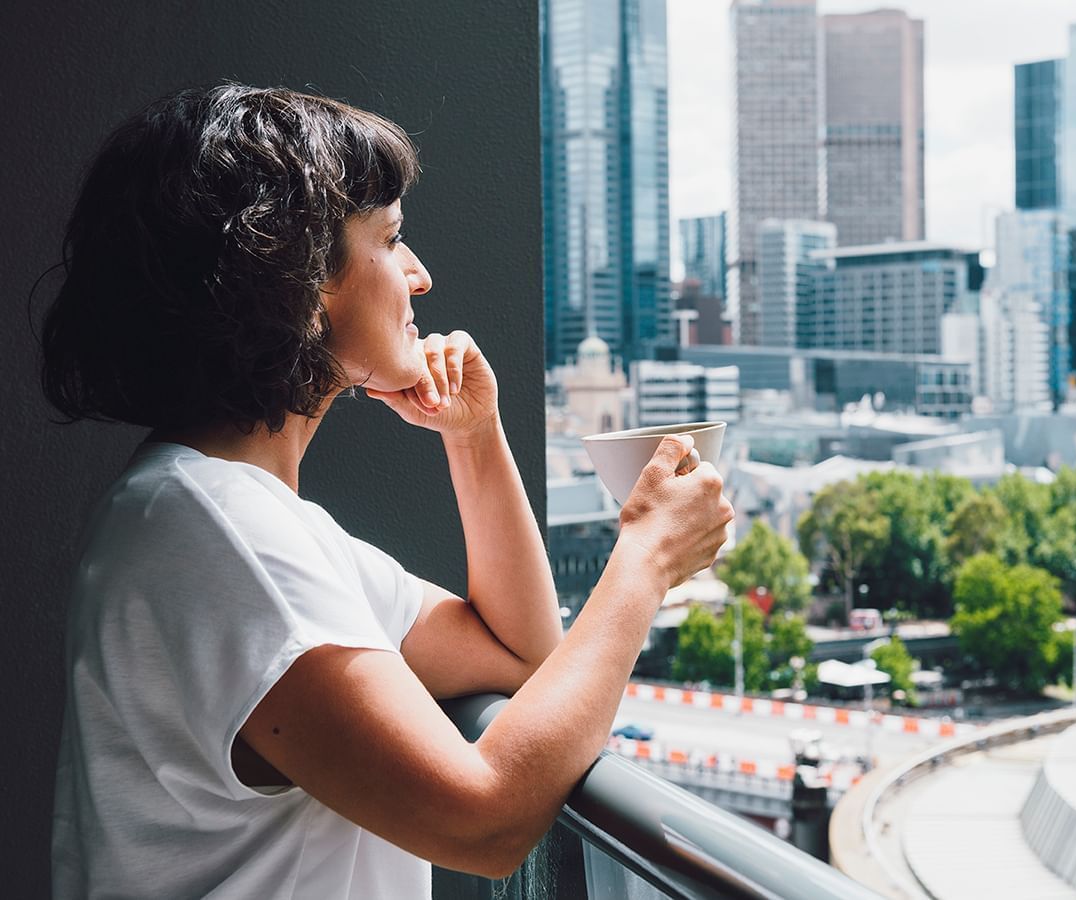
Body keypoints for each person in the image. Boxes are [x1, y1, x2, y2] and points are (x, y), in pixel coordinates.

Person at [42, 84, 733, 898]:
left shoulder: (226, 519)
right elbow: (482, 821)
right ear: (297, 280)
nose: (421, 275)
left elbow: (525, 658)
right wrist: (644, 560)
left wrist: (474, 439)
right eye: (392, 239)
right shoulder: (221, 535)